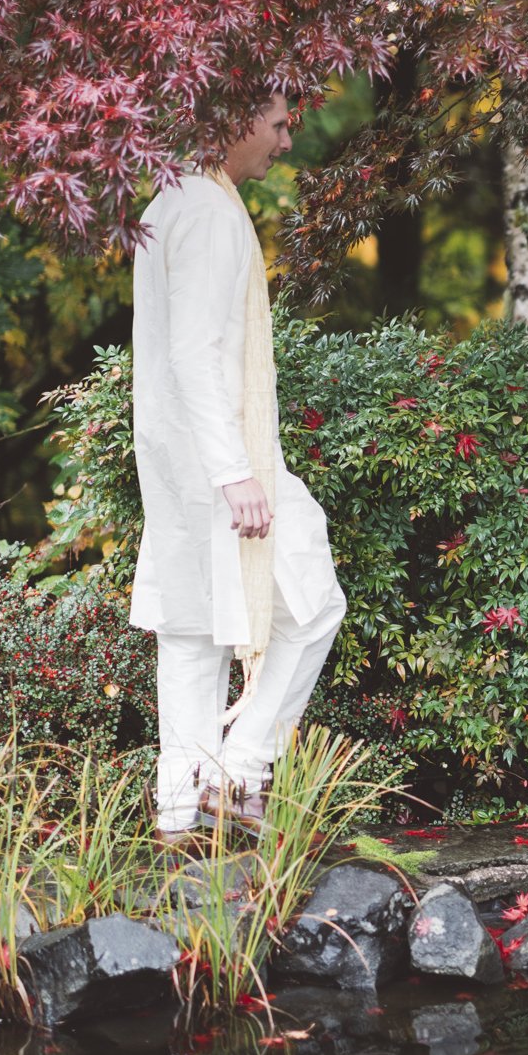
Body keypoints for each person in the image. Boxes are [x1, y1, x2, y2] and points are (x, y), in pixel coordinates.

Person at [128, 92, 345, 841]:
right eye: (278, 125)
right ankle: (239, 771)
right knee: (314, 604)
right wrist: (234, 472)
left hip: (175, 457)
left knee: (192, 633)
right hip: (220, 459)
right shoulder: (210, 213)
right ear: (235, 120)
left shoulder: (168, 200)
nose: (285, 143)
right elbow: (193, 352)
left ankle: (180, 819)